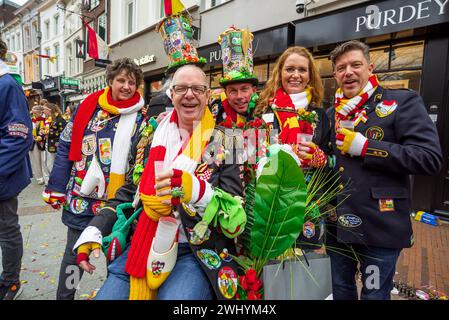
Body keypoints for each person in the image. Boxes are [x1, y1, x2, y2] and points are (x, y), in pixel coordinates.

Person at [73, 64, 246, 300]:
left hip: (194, 251)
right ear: (171, 95)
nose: (189, 94)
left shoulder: (229, 139)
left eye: (197, 88)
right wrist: (94, 230)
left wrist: (195, 190)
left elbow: (236, 208)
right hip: (143, 243)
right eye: (181, 88)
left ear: (208, 95)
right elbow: (129, 192)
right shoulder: (151, 135)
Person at [326, 40, 443, 300]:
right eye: (341, 67)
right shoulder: (329, 113)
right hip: (337, 227)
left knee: (374, 293)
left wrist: (367, 147)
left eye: (355, 64)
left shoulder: (401, 101)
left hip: (379, 227)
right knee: (341, 290)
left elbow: (429, 158)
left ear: (369, 67)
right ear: (334, 75)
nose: (348, 72)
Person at [42, 58, 145, 300]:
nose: (126, 86)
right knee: (73, 256)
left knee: (115, 256)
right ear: (110, 81)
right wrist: (56, 186)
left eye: (132, 82)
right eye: (121, 80)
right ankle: (65, 297)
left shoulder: (141, 117)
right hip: (82, 199)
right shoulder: (87, 108)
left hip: (117, 203)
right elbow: (66, 146)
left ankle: (112, 294)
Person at [254, 46, 333, 250]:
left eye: (302, 70)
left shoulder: (320, 115)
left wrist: (320, 157)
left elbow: (334, 161)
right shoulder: (263, 110)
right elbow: (246, 154)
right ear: (280, 74)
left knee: (304, 268)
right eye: (289, 69)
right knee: (268, 266)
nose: (296, 75)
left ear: (310, 75)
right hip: (269, 202)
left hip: (307, 204)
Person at [0, 39, 33, 300]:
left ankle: (11, 283)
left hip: (2, 177)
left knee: (7, 229)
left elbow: (18, 136)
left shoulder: (6, 84)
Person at [210, 26, 259, 126]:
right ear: (226, 93)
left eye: (244, 89)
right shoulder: (214, 115)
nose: (239, 96)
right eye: (233, 91)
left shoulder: (267, 115)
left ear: (254, 90)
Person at [42, 103, 67, 175]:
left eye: (44, 109)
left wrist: (48, 133)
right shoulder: (49, 119)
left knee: (54, 164)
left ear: (49, 110)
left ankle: (56, 180)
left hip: (55, 145)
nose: (43, 111)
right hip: (48, 144)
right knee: (48, 164)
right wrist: (43, 131)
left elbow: (63, 133)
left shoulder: (60, 119)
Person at [29, 101, 48, 185]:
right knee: (35, 160)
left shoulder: (45, 119)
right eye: (32, 113)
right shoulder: (31, 120)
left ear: (40, 112)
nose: (33, 115)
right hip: (33, 143)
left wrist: (41, 137)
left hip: (42, 142)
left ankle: (46, 177)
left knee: (44, 160)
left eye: (35, 113)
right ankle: (39, 178)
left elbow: (47, 130)